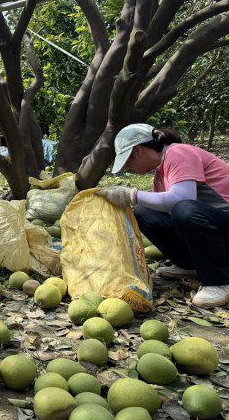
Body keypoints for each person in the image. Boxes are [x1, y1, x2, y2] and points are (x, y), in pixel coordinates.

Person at [97, 123, 229, 307]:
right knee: (144, 213)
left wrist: (131, 195)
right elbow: (163, 210)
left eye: (128, 162)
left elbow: (182, 199)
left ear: (138, 150)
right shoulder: (160, 174)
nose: (129, 168)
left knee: (185, 210)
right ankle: (189, 265)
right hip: (216, 233)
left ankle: (218, 281)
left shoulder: (179, 153)